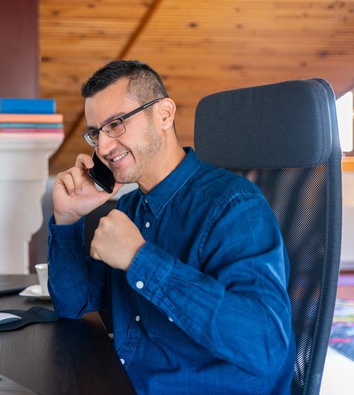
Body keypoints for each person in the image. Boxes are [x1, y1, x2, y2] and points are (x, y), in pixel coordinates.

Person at [47, 60, 295, 394]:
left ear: (164, 114)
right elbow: (72, 303)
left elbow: (266, 348)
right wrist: (67, 218)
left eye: (116, 123)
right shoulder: (130, 208)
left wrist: (139, 258)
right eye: (95, 133)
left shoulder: (234, 206)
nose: (103, 148)